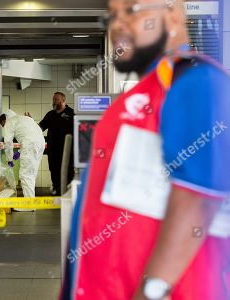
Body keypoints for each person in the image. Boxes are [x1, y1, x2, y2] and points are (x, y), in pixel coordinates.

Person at [61, 0, 230, 299]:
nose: (118, 24)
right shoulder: (137, 98)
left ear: (174, 15)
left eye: (132, 10)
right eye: (112, 16)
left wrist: (152, 292)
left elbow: (198, 197)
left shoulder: (196, 80)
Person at [0, 110, 45, 201]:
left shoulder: (9, 122)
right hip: (40, 144)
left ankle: (29, 204)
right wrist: (20, 151)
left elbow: (8, 143)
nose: (4, 127)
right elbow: (29, 135)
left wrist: (9, 159)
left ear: (4, 120)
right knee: (31, 174)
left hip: (30, 145)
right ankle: (30, 202)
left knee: (25, 175)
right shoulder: (24, 119)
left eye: (2, 125)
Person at [39, 92, 74, 195]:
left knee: (68, 171)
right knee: (54, 171)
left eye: (56, 100)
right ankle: (57, 192)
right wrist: (30, 122)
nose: (53, 102)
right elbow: (40, 127)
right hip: (53, 150)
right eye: (53, 99)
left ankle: (68, 193)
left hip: (68, 151)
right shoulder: (50, 114)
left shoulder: (71, 113)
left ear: (63, 100)